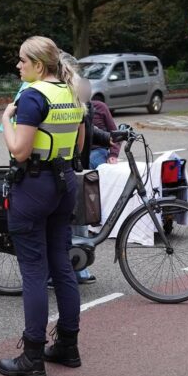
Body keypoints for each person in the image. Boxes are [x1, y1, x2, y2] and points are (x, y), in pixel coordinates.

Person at [0, 36, 85, 376]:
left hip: (34, 186)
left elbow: (20, 150)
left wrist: (6, 119)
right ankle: (68, 346)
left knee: (34, 270)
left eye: (22, 60)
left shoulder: (33, 96)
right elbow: (79, 144)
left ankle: (32, 356)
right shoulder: (71, 92)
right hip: (65, 183)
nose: (18, 66)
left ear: (37, 64)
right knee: (61, 264)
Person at [69, 70, 119, 284]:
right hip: (68, 169)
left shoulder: (85, 106)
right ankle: (64, 271)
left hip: (78, 168)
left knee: (80, 221)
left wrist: (110, 138)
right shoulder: (67, 104)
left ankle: (78, 268)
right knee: (70, 221)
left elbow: (91, 130)